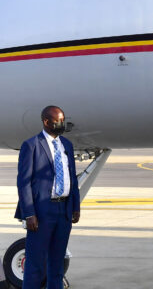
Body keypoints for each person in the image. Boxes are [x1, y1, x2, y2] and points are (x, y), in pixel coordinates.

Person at [15, 106, 80, 289]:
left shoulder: (66, 144)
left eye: (63, 119)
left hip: (64, 210)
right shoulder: (32, 145)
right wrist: (29, 214)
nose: (62, 124)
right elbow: (24, 182)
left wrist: (75, 206)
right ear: (46, 122)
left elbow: (71, 177)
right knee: (35, 265)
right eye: (58, 121)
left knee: (57, 264)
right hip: (41, 212)